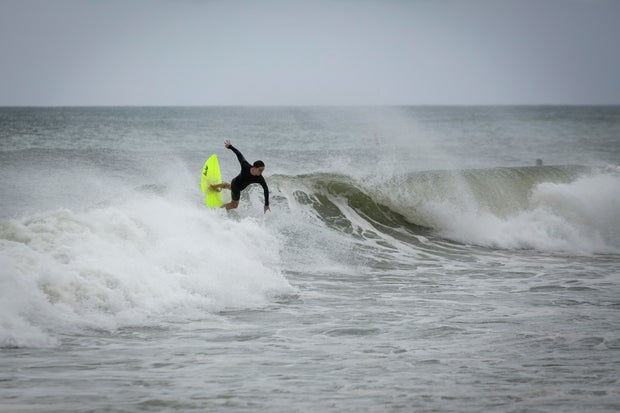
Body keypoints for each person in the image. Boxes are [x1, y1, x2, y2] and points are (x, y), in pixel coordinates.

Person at [215, 140, 270, 213]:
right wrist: (230, 146)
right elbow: (239, 154)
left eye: (262, 170)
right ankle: (218, 210)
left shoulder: (259, 178)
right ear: (254, 167)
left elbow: (265, 189)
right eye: (260, 170)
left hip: (236, 184)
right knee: (234, 205)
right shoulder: (245, 166)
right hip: (236, 186)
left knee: (230, 187)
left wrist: (266, 204)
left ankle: (214, 186)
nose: (261, 172)